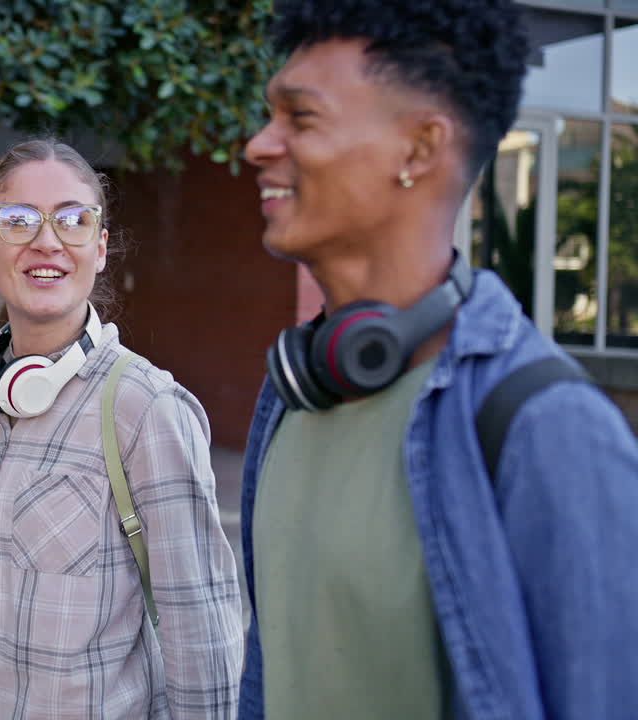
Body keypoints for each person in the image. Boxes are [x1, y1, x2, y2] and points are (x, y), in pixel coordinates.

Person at [238, 1, 638, 718]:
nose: (257, 146)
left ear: (419, 149)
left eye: (301, 119)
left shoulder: (547, 429)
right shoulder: (291, 397)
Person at [0, 139, 245, 719]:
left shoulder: (144, 408)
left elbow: (199, 632)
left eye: (74, 220)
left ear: (99, 250)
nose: (46, 240)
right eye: (18, 220)